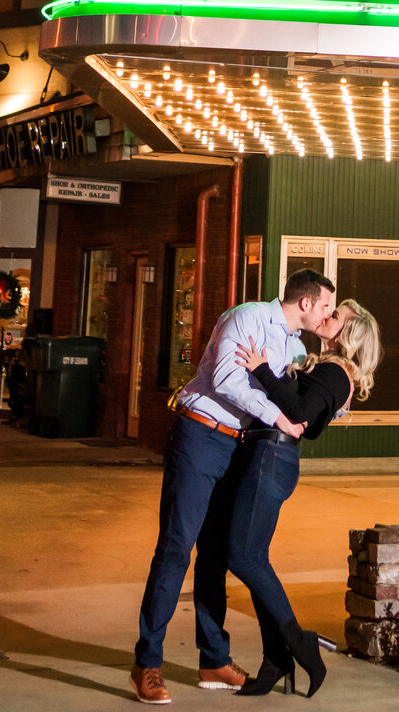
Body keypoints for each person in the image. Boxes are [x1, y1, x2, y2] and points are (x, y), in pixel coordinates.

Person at [129, 268, 338, 706]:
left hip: (237, 447)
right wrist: (278, 417)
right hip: (201, 435)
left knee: (216, 556)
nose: (326, 313)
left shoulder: (295, 346)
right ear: (305, 303)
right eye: (324, 306)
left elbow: (301, 399)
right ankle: (147, 664)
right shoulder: (246, 318)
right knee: (176, 548)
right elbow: (227, 379)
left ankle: (214, 660)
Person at [228, 298, 383, 698]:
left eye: (337, 317)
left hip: (272, 458)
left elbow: (299, 413)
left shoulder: (336, 373)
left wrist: (260, 368)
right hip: (271, 456)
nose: (328, 317)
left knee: (243, 556)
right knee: (252, 558)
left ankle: (298, 642)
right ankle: (276, 659)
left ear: (348, 334)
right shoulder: (329, 368)